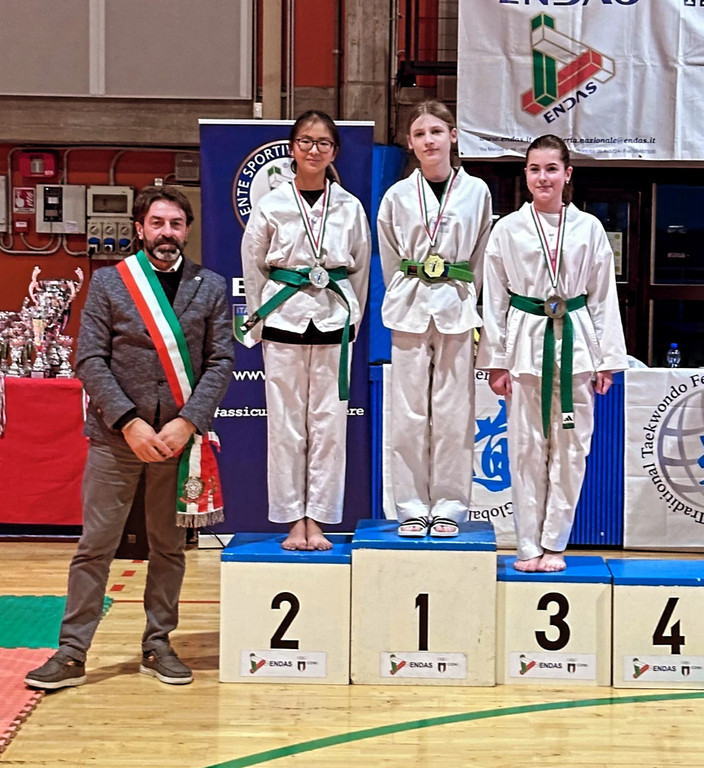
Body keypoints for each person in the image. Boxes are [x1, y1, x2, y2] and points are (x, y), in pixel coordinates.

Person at [25, 185, 234, 689]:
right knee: (95, 546)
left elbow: (221, 361)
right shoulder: (110, 283)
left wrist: (187, 422)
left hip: (176, 439)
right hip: (117, 438)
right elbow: (89, 359)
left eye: (176, 224)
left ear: (187, 230)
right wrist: (128, 422)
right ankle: (72, 653)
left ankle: (158, 644)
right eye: (157, 223)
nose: (167, 233)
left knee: (169, 548)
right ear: (140, 229)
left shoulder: (210, 286)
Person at [477, 134, 627, 572]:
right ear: (525, 174)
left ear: (567, 174)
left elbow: (603, 297)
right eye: (534, 169)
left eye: (551, 169)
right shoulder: (507, 229)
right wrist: (496, 361)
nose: (543, 178)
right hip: (525, 344)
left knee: (572, 449)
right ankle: (527, 545)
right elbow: (495, 300)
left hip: (576, 345)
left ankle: (555, 543)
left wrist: (606, 359)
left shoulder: (589, 228)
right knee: (525, 449)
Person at [241, 110, 371, 551]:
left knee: (329, 428)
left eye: (323, 143)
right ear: (292, 148)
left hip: (334, 321)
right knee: (286, 426)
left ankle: (319, 519)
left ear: (334, 151)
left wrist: (353, 318)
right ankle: (293, 520)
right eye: (306, 141)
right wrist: (260, 317)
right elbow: (253, 266)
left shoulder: (349, 206)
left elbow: (360, 268)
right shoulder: (272, 204)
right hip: (283, 319)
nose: (314, 150)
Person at [377, 100, 492, 537]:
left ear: (453, 136)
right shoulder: (397, 195)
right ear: (410, 143)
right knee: (408, 413)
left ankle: (450, 506)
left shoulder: (476, 192)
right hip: (409, 305)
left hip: (456, 305)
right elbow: (390, 256)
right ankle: (410, 506)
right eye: (420, 134)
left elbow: (481, 254)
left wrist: (467, 295)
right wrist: (407, 287)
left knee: (454, 412)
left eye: (437, 132)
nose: (429, 140)